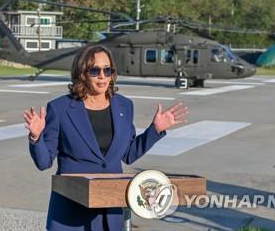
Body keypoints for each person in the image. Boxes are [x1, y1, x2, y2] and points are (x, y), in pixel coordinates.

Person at [25, 45, 188, 230]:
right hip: (71, 214)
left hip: (109, 213)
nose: (102, 76)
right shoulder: (60, 108)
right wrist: (36, 137)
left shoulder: (124, 106)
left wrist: (155, 130)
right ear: (82, 73)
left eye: (107, 70)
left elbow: (128, 155)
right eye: (95, 70)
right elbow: (44, 162)